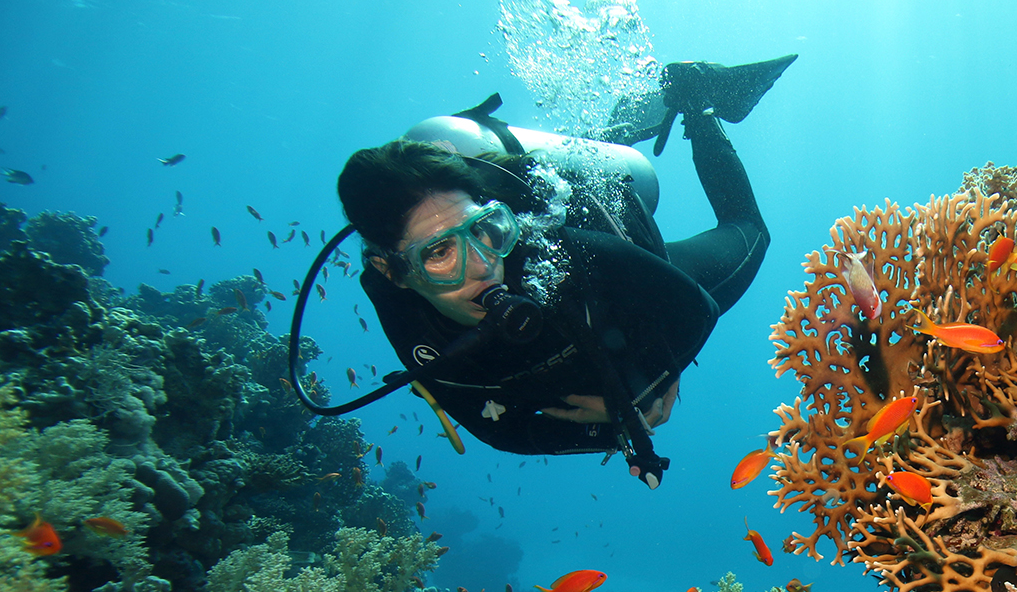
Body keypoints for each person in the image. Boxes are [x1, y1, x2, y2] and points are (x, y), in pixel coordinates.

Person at [335, 56, 794, 487]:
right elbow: (500, 432)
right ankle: (607, 137)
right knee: (591, 166)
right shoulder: (409, 322)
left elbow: (697, 308)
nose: (481, 263)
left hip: (628, 274)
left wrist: (659, 374)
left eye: (486, 229)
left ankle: (696, 100)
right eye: (438, 253)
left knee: (750, 232)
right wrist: (618, 425)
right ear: (392, 271)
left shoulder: (553, 249)